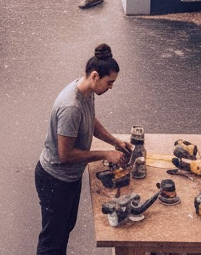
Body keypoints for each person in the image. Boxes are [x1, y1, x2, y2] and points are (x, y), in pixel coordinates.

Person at [35, 43, 132, 255]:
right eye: (110, 82)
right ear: (95, 76)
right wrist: (105, 154)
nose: (111, 87)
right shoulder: (71, 107)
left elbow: (91, 121)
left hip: (69, 178)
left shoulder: (86, 92)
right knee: (52, 241)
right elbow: (66, 155)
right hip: (55, 180)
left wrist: (113, 141)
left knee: (65, 228)